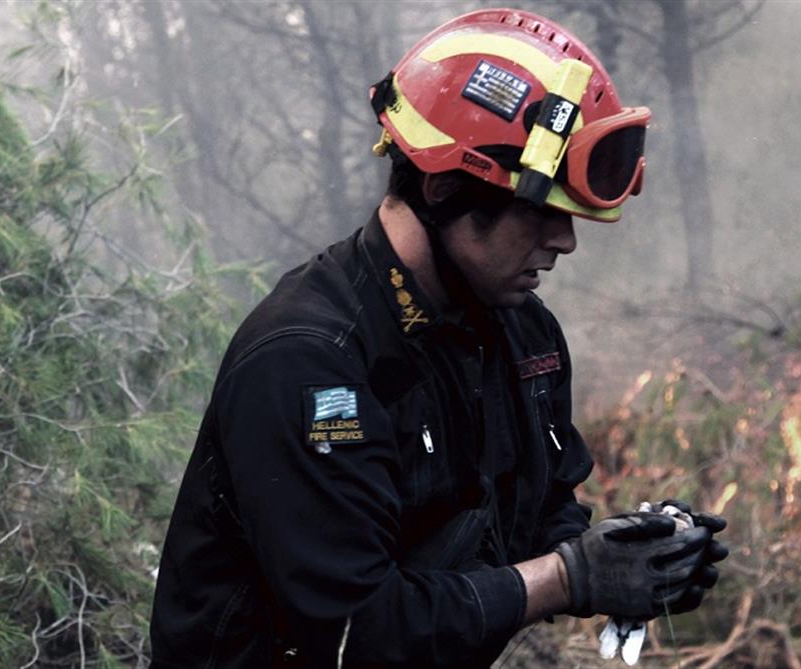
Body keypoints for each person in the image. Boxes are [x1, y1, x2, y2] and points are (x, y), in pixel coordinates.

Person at [149, 9, 727, 668]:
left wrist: (636, 554)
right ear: (444, 186)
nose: (565, 240)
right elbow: (357, 631)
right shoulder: (309, 364)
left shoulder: (520, 329)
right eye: (539, 210)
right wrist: (569, 576)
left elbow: (541, 511)